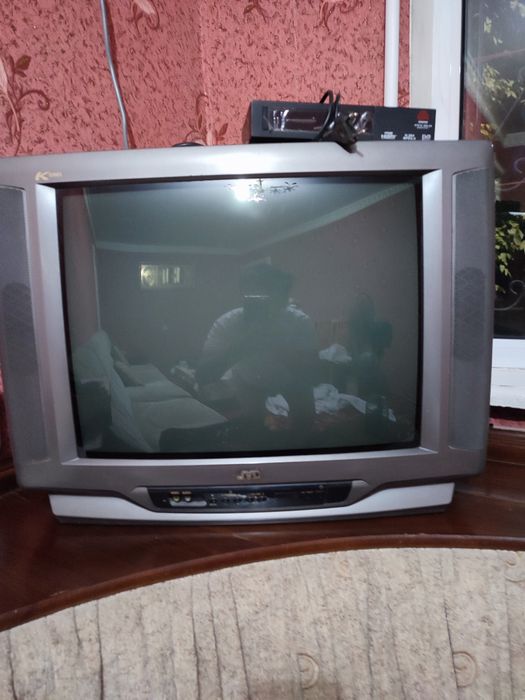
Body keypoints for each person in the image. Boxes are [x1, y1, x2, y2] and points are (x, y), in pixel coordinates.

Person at [196, 263, 318, 435]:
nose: (267, 306)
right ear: (245, 297)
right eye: (258, 298)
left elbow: (312, 373)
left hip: (290, 380)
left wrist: (278, 345)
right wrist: (245, 344)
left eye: (274, 297)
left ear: (284, 299)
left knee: (306, 419)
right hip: (248, 380)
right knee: (252, 427)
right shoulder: (228, 323)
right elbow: (203, 375)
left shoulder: (299, 322)